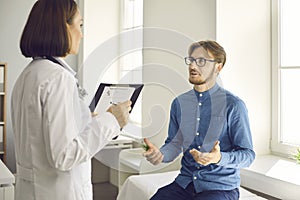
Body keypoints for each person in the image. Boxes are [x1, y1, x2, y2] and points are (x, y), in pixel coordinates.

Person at [11, 0, 131, 199]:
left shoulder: (28, 75)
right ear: (63, 26)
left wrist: (85, 118)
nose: (82, 34)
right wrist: (112, 121)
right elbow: (64, 155)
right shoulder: (58, 78)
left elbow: (41, 133)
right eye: (80, 25)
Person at [143, 40, 255, 200]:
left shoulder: (234, 105)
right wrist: (160, 154)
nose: (193, 66)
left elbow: (248, 155)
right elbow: (174, 144)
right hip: (185, 184)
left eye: (201, 61)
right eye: (191, 60)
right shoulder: (179, 103)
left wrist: (219, 158)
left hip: (220, 189)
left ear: (218, 66)